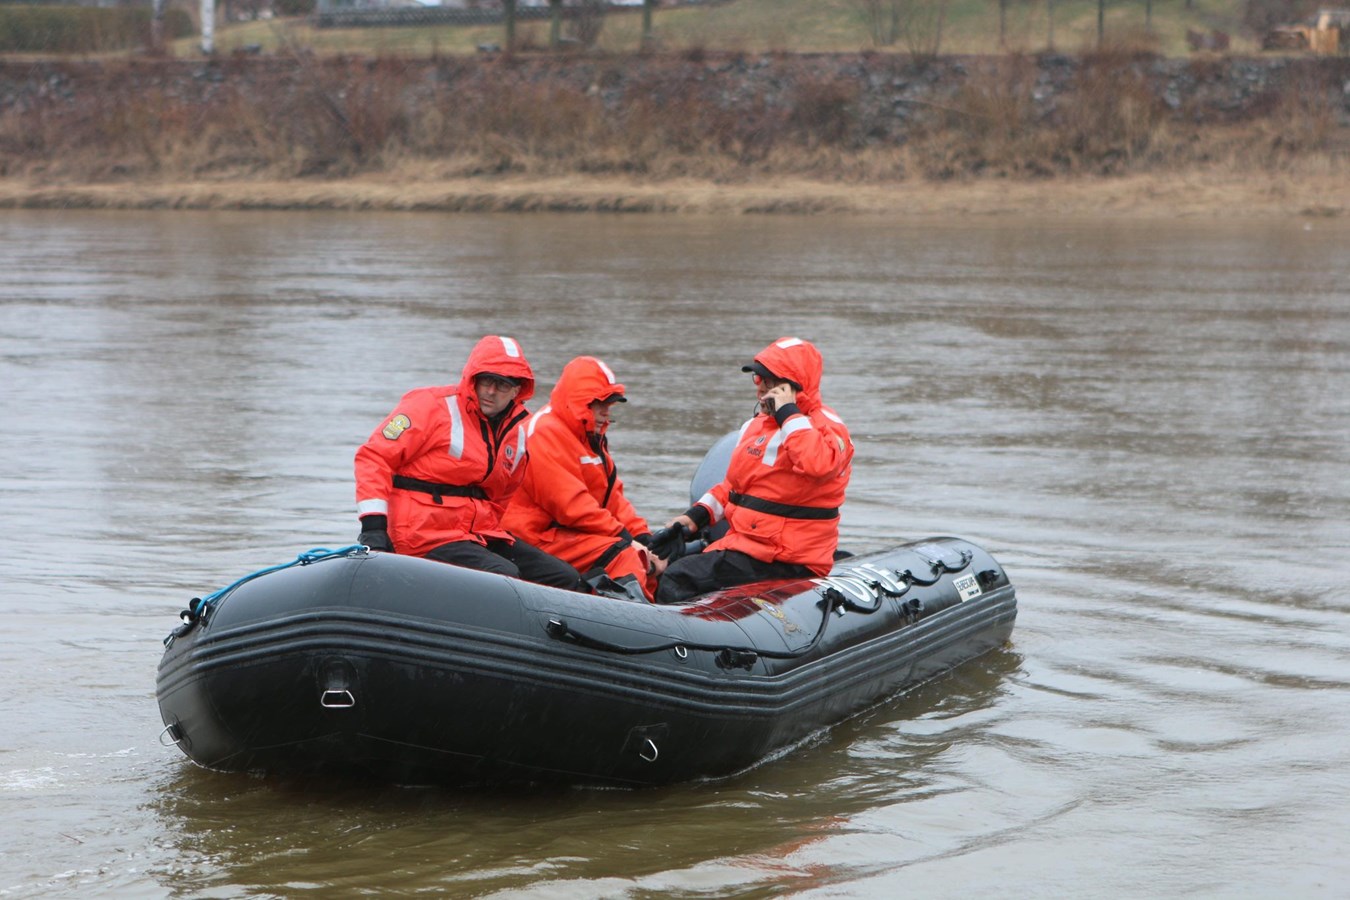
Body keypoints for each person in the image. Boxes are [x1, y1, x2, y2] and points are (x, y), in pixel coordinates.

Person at [354, 335, 584, 590]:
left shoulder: (516, 433)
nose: (490, 391)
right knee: (504, 575)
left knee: (564, 577)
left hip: (477, 534)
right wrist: (374, 528)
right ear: (473, 377)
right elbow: (374, 457)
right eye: (486, 380)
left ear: (517, 391)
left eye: (502, 384)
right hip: (420, 533)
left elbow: (501, 497)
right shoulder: (430, 406)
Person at [654, 337, 853, 604]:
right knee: (667, 563)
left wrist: (789, 414)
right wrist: (692, 519)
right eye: (757, 380)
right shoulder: (757, 426)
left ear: (790, 387)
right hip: (749, 547)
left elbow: (816, 464)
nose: (759, 388)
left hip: (788, 557)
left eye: (767, 382)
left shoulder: (827, 428)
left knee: (680, 578)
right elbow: (733, 488)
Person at [502, 356, 665, 601]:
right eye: (599, 404)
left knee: (642, 555)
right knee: (624, 556)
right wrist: (627, 541)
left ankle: (649, 614)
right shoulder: (544, 432)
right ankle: (633, 625)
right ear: (579, 402)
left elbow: (613, 499)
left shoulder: (587, 436)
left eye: (610, 404)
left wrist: (643, 537)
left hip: (567, 533)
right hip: (535, 536)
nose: (605, 412)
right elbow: (571, 506)